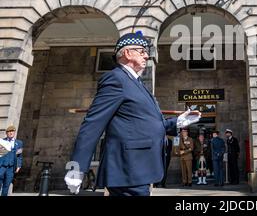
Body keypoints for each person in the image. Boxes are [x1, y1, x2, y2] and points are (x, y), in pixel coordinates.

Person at [64, 32, 200, 196]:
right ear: (128, 53)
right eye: (142, 51)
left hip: (139, 168)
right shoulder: (116, 79)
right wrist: (76, 167)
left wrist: (178, 121)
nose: (146, 56)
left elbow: (145, 123)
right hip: (128, 169)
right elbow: (93, 123)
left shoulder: (136, 83)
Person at [0, 125, 23, 196]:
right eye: (9, 131)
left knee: (6, 186)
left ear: (14, 132)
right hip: (2, 167)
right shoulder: (2, 141)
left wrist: (18, 165)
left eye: (12, 131)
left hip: (11, 168)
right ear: (6, 133)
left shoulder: (19, 143)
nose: (11, 133)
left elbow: (19, 156)